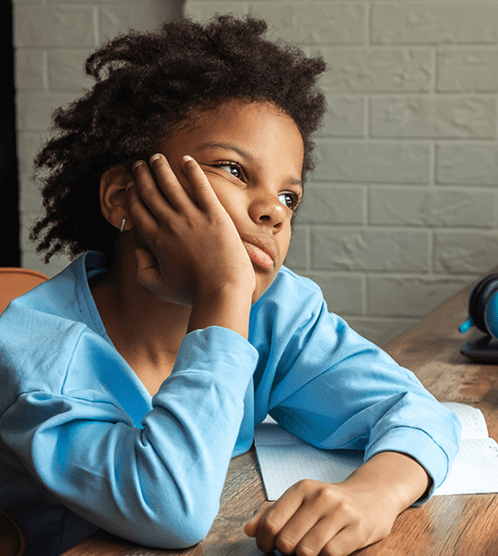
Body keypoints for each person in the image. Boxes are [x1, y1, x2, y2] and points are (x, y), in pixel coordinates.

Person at [0, 14, 461, 556]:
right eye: (235, 170)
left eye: (291, 197)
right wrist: (222, 292)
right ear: (123, 197)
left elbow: (417, 409)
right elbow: (171, 510)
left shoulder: (277, 314)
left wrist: (374, 495)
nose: (273, 211)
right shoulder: (37, 359)